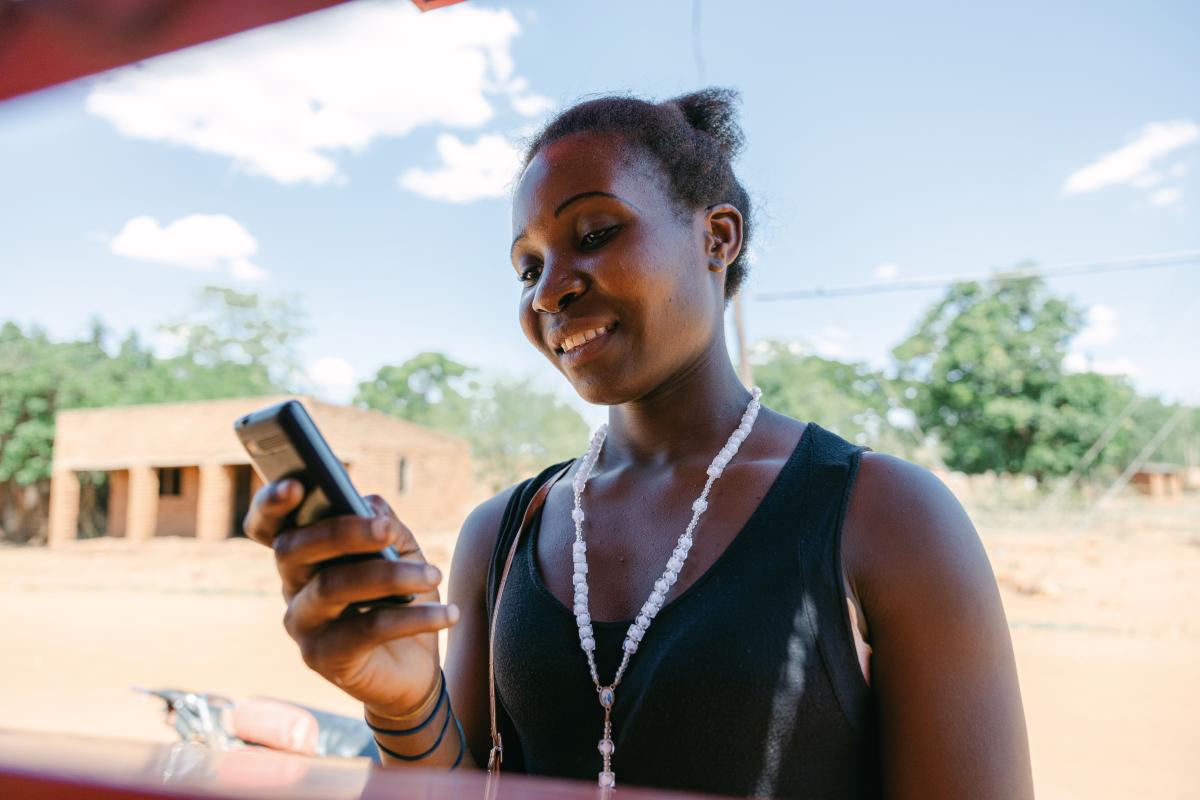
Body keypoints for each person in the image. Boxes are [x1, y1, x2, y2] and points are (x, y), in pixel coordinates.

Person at [245, 88, 1034, 799]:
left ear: (717, 238)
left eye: (595, 232)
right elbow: (441, 791)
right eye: (527, 267)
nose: (550, 288)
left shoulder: (887, 517)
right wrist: (404, 705)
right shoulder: (502, 534)